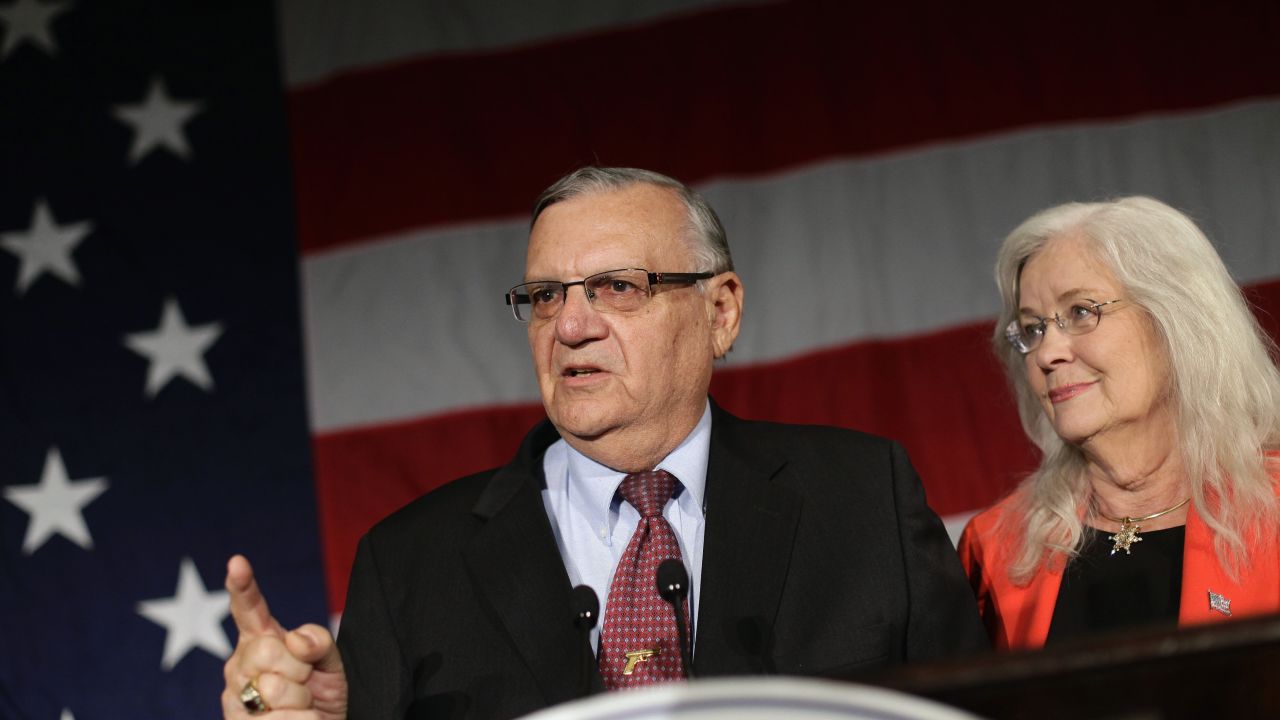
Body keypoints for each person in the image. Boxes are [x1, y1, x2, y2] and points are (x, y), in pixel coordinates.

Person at [222, 167, 987, 719]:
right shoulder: (411, 562)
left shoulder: (860, 500)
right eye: (545, 296)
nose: (571, 326)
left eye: (619, 287)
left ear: (720, 311)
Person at [958, 196, 1280, 651]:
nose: (1048, 354)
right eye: (1033, 329)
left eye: (1081, 312)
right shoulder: (993, 551)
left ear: (1175, 322)